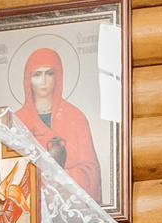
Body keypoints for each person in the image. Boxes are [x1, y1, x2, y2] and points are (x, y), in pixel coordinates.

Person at [12, 47, 102, 201]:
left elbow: (90, 171)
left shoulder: (76, 117)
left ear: (58, 76)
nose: (44, 81)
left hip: (69, 206)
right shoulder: (17, 120)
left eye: (49, 73)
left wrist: (60, 177)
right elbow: (11, 172)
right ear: (28, 80)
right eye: (37, 74)